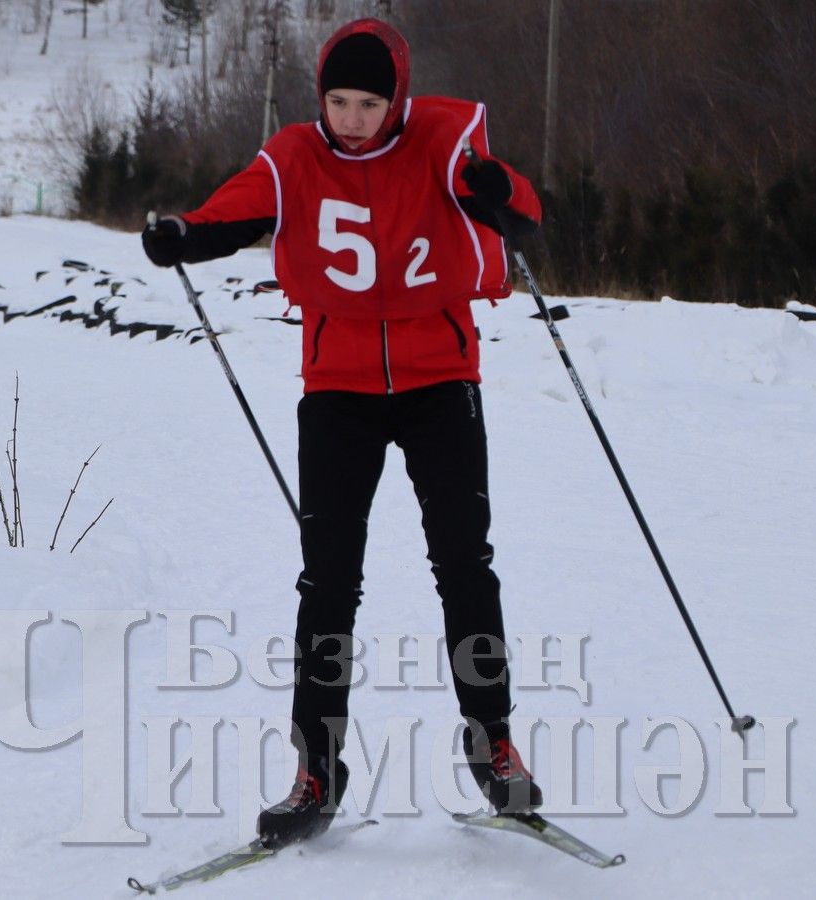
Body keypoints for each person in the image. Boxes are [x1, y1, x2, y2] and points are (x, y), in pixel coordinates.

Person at [141, 18, 545, 848]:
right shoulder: (294, 156)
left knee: (463, 565)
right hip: (337, 391)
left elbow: (522, 210)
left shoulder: (439, 141)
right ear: (317, 99)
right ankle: (315, 767)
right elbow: (233, 213)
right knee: (327, 583)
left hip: (441, 383)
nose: (352, 118)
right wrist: (182, 235)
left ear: (395, 98)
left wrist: (493, 192)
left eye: (369, 102)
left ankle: (491, 742)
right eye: (338, 101)